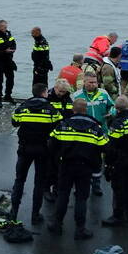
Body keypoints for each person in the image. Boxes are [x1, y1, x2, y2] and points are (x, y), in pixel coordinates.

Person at [48, 97, 107, 240]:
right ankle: (80, 229)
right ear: (86, 110)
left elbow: (51, 145)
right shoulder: (95, 128)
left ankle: (57, 224)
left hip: (66, 165)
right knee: (82, 198)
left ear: (72, 110)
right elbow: (105, 146)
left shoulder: (63, 125)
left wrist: (58, 158)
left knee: (63, 195)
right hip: (85, 167)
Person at [10, 82, 61, 224]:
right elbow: (57, 127)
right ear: (45, 93)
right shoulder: (51, 110)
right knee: (39, 182)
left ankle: (13, 212)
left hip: (24, 149)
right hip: (43, 149)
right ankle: (35, 215)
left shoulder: (23, 108)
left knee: (19, 180)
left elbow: (14, 122)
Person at [102, 95, 128, 228]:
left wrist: (108, 164)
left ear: (116, 108)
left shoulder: (117, 123)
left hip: (120, 160)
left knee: (118, 188)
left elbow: (111, 146)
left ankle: (117, 215)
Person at [72, 73, 116, 196]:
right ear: (84, 83)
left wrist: (111, 112)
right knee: (81, 160)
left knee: (97, 160)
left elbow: (112, 106)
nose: (93, 84)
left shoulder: (103, 93)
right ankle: (79, 186)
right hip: (83, 133)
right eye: (90, 82)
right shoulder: (76, 95)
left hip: (101, 131)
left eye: (95, 82)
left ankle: (96, 185)